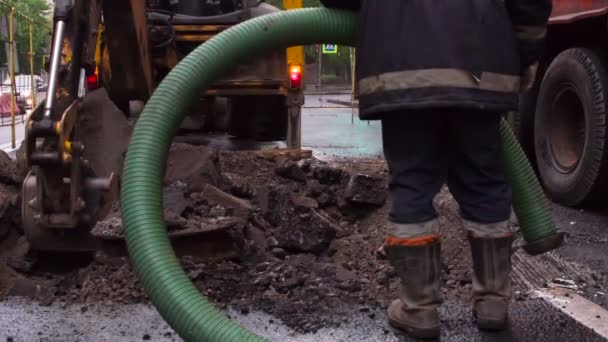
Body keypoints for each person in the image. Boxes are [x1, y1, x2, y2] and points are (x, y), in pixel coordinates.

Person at [319, 0, 552, 339]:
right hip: (481, 67)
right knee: (483, 181)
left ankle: (419, 307)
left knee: (413, 181)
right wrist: (529, 52)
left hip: (401, 68)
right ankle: (492, 302)